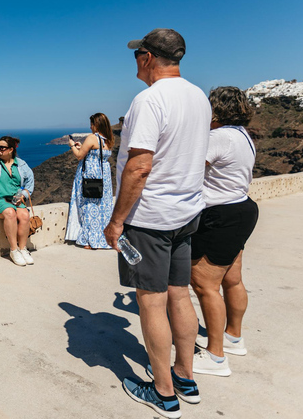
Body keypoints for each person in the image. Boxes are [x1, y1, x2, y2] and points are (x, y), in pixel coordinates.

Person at [103, 29, 211, 419]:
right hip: (186, 213)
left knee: (151, 302)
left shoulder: (149, 100)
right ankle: (185, 376)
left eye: (137, 55)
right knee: (180, 295)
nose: (134, 62)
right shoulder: (199, 96)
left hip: (149, 219)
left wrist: (117, 221)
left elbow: (140, 165)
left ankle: (163, 393)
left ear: (147, 58)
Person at [189, 87, 259, 377]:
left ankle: (215, 356)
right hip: (242, 208)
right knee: (232, 279)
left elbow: (189, 172)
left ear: (215, 109)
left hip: (220, 216)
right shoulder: (244, 135)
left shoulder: (217, 137)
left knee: (205, 285)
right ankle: (233, 337)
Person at [0, 136, 36, 266]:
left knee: (25, 215)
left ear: (10, 150)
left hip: (16, 200)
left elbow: (29, 184)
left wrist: (24, 195)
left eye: (2, 148)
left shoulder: (21, 165)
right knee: (10, 213)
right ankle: (14, 250)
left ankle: (23, 249)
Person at [65, 113, 115, 250]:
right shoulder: (108, 139)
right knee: (102, 207)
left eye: (91, 124)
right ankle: (102, 238)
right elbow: (94, 152)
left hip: (90, 176)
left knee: (88, 206)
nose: (90, 126)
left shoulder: (92, 137)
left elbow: (79, 156)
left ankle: (89, 240)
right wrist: (81, 146)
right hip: (103, 176)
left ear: (96, 124)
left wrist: (72, 146)